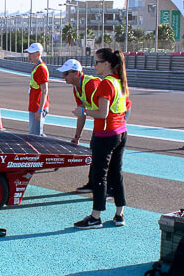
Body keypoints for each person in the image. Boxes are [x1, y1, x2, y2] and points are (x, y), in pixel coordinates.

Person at [73, 48, 129, 229]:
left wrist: (82, 111)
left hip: (105, 134)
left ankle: (95, 217)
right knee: (116, 173)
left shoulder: (106, 84)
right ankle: (120, 214)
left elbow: (102, 113)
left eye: (97, 62)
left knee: (99, 175)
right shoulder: (119, 82)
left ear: (106, 64)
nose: (94, 65)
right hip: (121, 132)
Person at [57, 59, 101, 194]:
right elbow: (81, 113)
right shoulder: (77, 87)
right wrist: (77, 137)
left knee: (104, 152)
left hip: (112, 119)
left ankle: (107, 188)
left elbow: (101, 111)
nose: (62, 76)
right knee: (95, 149)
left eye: (65, 74)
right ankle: (92, 184)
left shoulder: (91, 84)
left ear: (76, 73)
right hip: (101, 119)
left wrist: (84, 111)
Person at [24, 42, 49, 136]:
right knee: (37, 134)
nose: (29, 55)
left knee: (35, 136)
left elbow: (44, 90)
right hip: (34, 106)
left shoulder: (41, 69)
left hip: (37, 107)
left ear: (38, 54)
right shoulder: (36, 66)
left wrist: (40, 110)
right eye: (29, 53)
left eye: (31, 53)